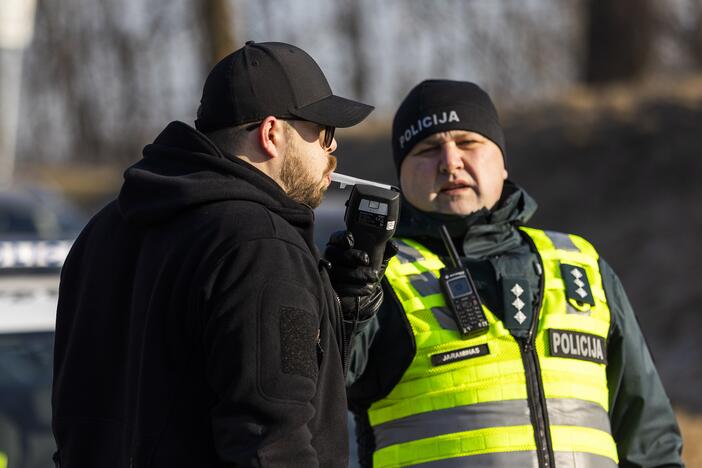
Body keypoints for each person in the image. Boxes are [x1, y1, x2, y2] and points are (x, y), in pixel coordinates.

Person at [52, 41, 387, 468]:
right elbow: (272, 444)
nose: (331, 155)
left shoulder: (101, 233)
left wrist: (331, 315)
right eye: (324, 135)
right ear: (270, 134)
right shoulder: (262, 246)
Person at [347, 80, 684, 467]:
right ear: (401, 177)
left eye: (468, 143)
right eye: (427, 149)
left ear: (502, 161)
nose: (450, 161)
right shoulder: (374, 275)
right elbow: (307, 393)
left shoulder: (583, 265)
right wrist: (346, 297)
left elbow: (649, 438)